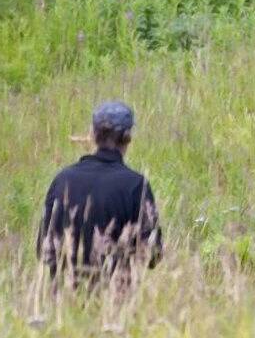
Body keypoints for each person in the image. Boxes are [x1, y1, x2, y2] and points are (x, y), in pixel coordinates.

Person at [36, 101, 162, 287]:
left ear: (93, 135)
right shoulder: (135, 185)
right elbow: (152, 254)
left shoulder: (63, 179)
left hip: (64, 305)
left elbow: (44, 250)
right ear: (128, 138)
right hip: (114, 304)